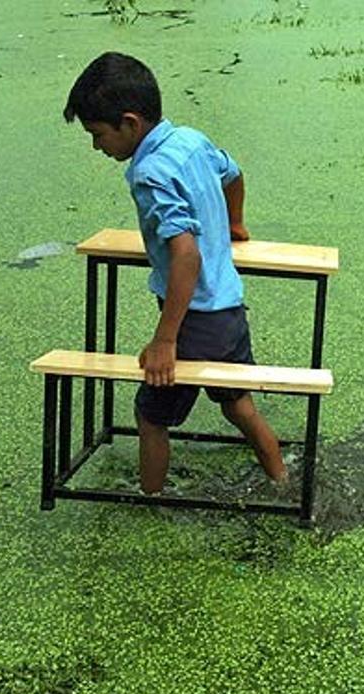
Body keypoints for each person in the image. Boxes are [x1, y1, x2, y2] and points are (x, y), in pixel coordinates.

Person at [64, 51, 286, 494]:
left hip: (194, 321)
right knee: (238, 405)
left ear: (130, 123)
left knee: (150, 416)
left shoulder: (149, 173)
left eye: (98, 134)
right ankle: (284, 481)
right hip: (229, 310)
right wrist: (235, 222)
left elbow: (186, 256)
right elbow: (233, 173)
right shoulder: (189, 140)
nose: (96, 146)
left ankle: (150, 500)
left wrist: (165, 340)